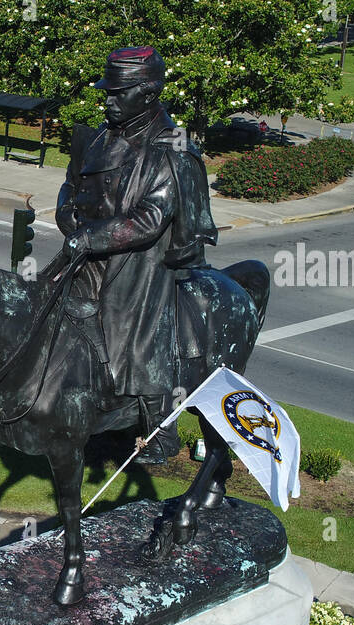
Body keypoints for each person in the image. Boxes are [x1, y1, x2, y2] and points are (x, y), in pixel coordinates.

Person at [55, 47, 217, 464]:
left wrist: (91, 237)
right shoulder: (98, 135)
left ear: (146, 94)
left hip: (142, 259)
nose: (107, 100)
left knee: (136, 333)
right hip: (87, 248)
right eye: (106, 91)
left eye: (116, 93)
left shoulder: (171, 147)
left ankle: (160, 429)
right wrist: (65, 210)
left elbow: (149, 219)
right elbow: (71, 182)